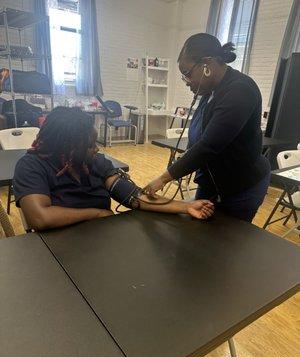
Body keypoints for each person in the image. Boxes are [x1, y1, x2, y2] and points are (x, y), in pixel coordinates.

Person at [13, 107, 214, 231]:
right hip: (56, 253)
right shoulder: (31, 166)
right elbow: (41, 218)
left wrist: (186, 206)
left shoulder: (95, 163)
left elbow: (134, 197)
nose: (97, 149)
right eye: (91, 145)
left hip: (100, 243)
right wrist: (96, 213)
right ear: (70, 147)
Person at [144, 33, 271, 222]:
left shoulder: (240, 90)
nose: (187, 81)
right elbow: (199, 137)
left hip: (240, 188)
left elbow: (209, 146)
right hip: (211, 183)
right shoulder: (211, 91)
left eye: (187, 73)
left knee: (227, 244)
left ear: (207, 65)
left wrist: (163, 179)